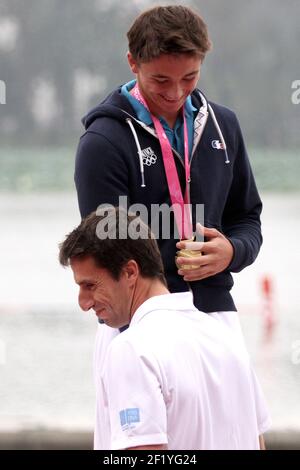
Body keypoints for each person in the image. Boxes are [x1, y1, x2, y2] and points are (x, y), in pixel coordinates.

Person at [74, 5, 264, 448]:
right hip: (136, 325)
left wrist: (231, 252)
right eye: (161, 80)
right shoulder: (103, 140)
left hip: (215, 315)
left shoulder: (225, 125)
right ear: (132, 63)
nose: (176, 92)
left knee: (243, 437)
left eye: (190, 78)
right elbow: (104, 247)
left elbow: (248, 219)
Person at [59, 209, 270, 450]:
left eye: (90, 285)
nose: (83, 303)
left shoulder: (132, 349)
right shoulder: (226, 338)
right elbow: (258, 441)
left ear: (130, 272)